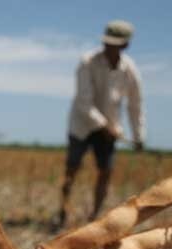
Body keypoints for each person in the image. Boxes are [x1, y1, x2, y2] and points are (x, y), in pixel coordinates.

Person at [55, 20, 145, 228]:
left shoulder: (130, 71)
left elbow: (135, 105)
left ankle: (94, 218)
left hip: (110, 130)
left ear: (125, 45)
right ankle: (63, 210)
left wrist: (139, 136)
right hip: (82, 125)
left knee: (105, 171)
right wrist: (104, 126)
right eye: (107, 43)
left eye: (115, 44)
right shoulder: (87, 62)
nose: (109, 47)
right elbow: (83, 102)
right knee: (72, 168)